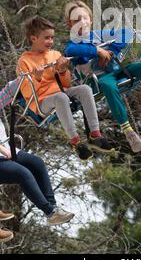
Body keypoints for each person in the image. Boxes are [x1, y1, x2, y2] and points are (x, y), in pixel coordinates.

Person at [64, 1, 141, 153]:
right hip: (101, 79)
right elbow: (71, 50)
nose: (82, 23)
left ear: (90, 19)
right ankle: (129, 132)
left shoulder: (98, 34)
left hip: (119, 70)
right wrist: (97, 51)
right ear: (70, 25)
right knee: (108, 86)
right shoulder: (73, 43)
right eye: (76, 21)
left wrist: (111, 52)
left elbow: (127, 33)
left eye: (84, 18)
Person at [17, 16, 114, 161]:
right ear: (33, 38)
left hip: (60, 93)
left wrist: (62, 71)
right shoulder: (24, 62)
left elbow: (66, 84)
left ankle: (95, 134)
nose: (51, 41)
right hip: (41, 103)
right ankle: (75, 142)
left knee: (85, 89)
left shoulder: (55, 55)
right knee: (61, 98)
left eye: (52, 38)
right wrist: (37, 78)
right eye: (47, 38)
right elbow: (28, 94)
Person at [0, 119, 74, 226]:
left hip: (7, 150)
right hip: (3, 153)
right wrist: (3, 150)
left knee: (37, 163)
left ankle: (53, 207)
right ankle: (50, 212)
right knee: (22, 173)